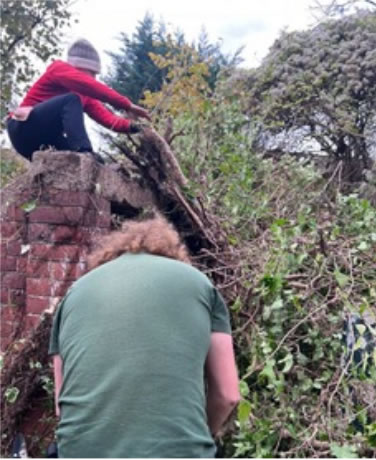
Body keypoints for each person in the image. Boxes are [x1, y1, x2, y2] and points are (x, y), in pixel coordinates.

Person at [49, 216, 240, 458]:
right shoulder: (200, 285)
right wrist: (201, 438)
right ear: (172, 254)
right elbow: (227, 395)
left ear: (109, 256)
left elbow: (61, 406)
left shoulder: (73, 295)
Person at [7, 38, 151, 163]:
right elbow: (91, 86)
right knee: (71, 100)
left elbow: (110, 120)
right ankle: (84, 152)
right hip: (23, 130)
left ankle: (83, 162)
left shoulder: (85, 96)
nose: (94, 78)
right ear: (78, 67)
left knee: (91, 162)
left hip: (44, 140)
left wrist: (137, 127)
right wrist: (127, 105)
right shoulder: (58, 69)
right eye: (93, 73)